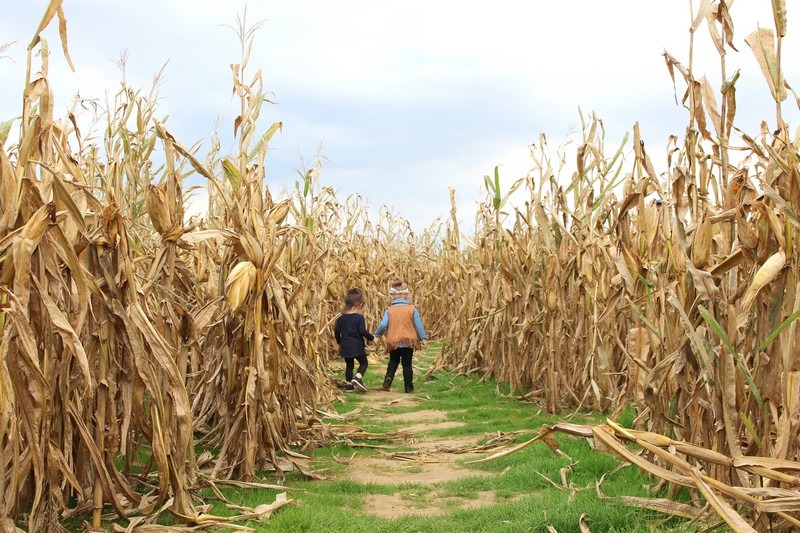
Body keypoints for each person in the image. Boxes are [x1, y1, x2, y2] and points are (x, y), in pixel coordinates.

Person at [373, 277, 428, 393]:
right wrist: (423, 338)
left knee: (393, 361)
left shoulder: (390, 310)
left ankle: (389, 377)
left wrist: (377, 335)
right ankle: (408, 386)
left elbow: (383, 324)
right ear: (407, 295)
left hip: (394, 342)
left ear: (392, 296)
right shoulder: (412, 309)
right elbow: (418, 325)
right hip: (408, 342)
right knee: (407, 365)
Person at [334, 288, 374, 392]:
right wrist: (372, 338)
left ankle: (348, 386)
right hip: (357, 345)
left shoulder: (341, 318)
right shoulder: (359, 318)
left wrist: (338, 342)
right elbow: (362, 331)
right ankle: (358, 377)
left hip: (346, 345)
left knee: (349, 365)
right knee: (364, 362)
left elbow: (337, 331)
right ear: (359, 306)